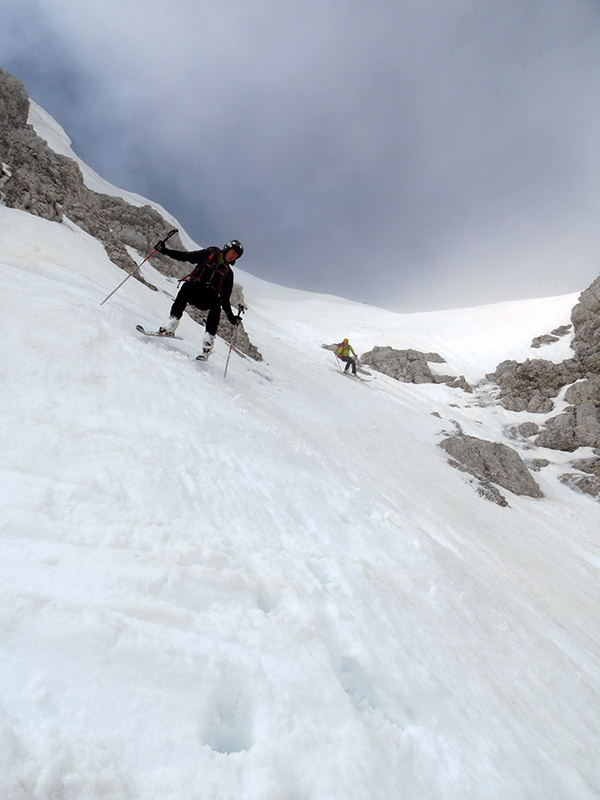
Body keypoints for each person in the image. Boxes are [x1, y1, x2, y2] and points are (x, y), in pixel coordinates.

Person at [155, 239, 244, 359]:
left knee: (216, 302)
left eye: (236, 256)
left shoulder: (228, 274)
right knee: (187, 286)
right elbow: (187, 256)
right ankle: (171, 324)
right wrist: (165, 251)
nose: (233, 256)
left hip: (207, 300)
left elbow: (225, 298)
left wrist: (231, 317)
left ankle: (208, 343)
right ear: (227, 249)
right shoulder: (209, 255)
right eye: (233, 252)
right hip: (194, 292)